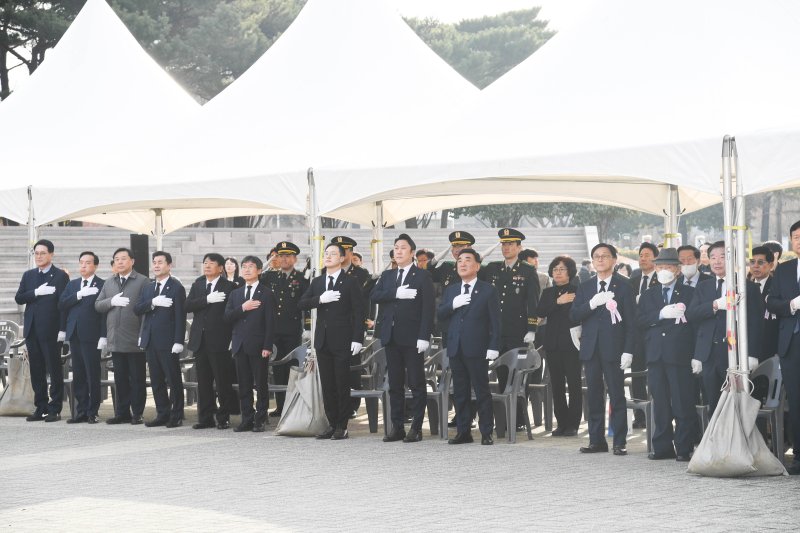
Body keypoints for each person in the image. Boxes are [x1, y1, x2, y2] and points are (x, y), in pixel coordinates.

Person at [570, 243, 635, 456]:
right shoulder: (585, 286)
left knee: (616, 396)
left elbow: (630, 323)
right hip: (591, 349)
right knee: (594, 396)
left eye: (605, 256)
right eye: (596, 256)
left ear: (614, 260)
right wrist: (591, 304)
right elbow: (574, 314)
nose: (600, 260)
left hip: (614, 349)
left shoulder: (624, 286)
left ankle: (619, 441)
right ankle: (596, 441)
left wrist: (629, 350)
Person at [371, 234, 435, 443]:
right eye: (396, 247)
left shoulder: (421, 276)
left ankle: (416, 428)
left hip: (413, 337)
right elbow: (374, 296)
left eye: (403, 248)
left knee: (417, 383)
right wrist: (395, 293)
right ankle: (397, 426)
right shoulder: (388, 276)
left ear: (412, 253)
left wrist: (424, 335)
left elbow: (428, 308)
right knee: (395, 384)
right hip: (391, 336)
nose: (398, 251)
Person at [686, 241, 762, 413]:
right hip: (709, 355)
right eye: (713, 257)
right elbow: (691, 314)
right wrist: (714, 305)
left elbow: (756, 323)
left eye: (722, 257)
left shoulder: (746, 287)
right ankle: (716, 439)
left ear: (733, 260)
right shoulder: (703, 286)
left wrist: (752, 354)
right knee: (713, 403)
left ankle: (736, 439)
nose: (717, 261)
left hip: (735, 354)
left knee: (736, 404)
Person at [299, 243, 365, 440]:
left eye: (333, 254)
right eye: (326, 253)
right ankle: (331, 422)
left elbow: (359, 311)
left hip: (343, 340)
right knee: (327, 384)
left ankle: (342, 425)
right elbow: (301, 303)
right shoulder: (318, 282)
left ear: (342, 258)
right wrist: (320, 299)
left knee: (341, 383)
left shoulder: (350, 281)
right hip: (322, 340)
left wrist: (357, 338)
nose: (328, 256)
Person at [637, 248, 698, 461]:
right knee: (660, 403)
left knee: (682, 403)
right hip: (655, 356)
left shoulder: (690, 293)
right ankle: (662, 447)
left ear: (678, 270)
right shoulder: (648, 295)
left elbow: (695, 325)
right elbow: (640, 321)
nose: (664, 270)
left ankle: (683, 448)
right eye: (660, 267)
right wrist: (660, 314)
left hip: (680, 355)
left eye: (669, 267)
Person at [438, 248, 500, 445]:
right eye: (459, 261)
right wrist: (452, 305)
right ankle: (463, 432)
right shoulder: (452, 290)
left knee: (482, 391)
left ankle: (486, 432)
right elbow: (440, 315)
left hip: (478, 347)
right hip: (456, 347)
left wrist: (494, 346)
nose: (462, 264)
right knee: (460, 392)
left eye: (467, 260)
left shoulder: (488, 289)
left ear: (477, 266)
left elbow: (495, 322)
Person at [482, 228, 540, 430]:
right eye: (503, 244)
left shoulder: (527, 270)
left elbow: (532, 302)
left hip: (518, 331)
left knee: (517, 376)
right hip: (496, 331)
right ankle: (505, 418)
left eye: (510, 244)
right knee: (501, 374)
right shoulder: (493, 268)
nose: (506, 248)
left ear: (519, 247)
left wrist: (531, 327)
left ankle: (520, 419)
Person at [15, 239, 69, 422]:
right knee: (36, 371)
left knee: (54, 370)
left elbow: (63, 305)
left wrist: (63, 330)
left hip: (51, 331)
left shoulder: (60, 276)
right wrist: (36, 292)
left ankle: (55, 408)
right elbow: (19, 298)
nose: (39, 256)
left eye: (42, 253)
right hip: (32, 330)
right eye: (36, 253)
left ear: (51, 254)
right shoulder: (28, 275)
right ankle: (41, 407)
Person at [95, 247, 149, 424]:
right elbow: (98, 305)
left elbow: (146, 311)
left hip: (135, 339)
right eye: (116, 259)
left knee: (137, 379)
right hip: (116, 339)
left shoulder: (143, 281)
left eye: (123, 259)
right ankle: (122, 413)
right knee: (120, 379)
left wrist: (143, 335)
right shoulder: (109, 282)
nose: (119, 262)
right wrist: (112, 301)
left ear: (132, 261)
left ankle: (137, 413)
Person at [185, 252, 238, 430]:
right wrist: (206, 299)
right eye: (205, 263)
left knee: (222, 381)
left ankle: (223, 417)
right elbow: (187, 305)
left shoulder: (229, 287)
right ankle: (205, 417)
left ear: (221, 268)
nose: (207, 266)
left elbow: (232, 314)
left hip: (220, 340)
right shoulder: (198, 284)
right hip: (200, 340)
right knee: (204, 381)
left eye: (211, 263)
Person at [134, 251, 187, 428]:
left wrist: (179, 340)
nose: (156, 265)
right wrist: (152, 303)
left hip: (169, 341)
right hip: (150, 340)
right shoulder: (149, 287)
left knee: (173, 379)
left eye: (160, 262)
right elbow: (137, 308)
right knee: (156, 380)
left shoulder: (176, 287)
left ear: (169, 265)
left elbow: (180, 315)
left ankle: (177, 414)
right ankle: (162, 413)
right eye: (154, 262)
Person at [224, 256, 276, 433]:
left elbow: (270, 322)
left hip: (259, 345)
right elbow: (227, 317)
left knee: (260, 384)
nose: (246, 270)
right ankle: (246, 418)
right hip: (239, 344)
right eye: (244, 266)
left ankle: (260, 419)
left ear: (259, 270)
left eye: (251, 267)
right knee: (244, 384)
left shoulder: (266, 293)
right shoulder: (235, 293)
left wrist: (267, 346)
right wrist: (243, 308)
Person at [766, 221, 800, 475]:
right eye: (795, 237)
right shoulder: (785, 270)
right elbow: (773, 304)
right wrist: (792, 304)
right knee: (796, 402)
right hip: (791, 344)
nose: (799, 241)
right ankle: (798, 455)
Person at [260, 241, 309, 418]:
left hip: (292, 330)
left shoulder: (303, 279)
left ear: (295, 259)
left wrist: (308, 327)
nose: (284, 259)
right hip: (273, 330)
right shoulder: (270, 277)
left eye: (288, 256)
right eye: (280, 256)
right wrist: (267, 263)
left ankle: (293, 405)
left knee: (292, 368)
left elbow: (308, 305)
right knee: (277, 370)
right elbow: (256, 277)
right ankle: (280, 406)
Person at [536, 256, 582, 436]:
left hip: (572, 344)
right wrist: (558, 302)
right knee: (556, 385)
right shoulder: (548, 293)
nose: (558, 272)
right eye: (555, 269)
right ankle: (561, 422)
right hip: (552, 344)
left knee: (574, 384)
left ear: (570, 271)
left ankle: (573, 424)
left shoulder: (578, 291)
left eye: (562, 269)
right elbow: (540, 312)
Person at [58, 251, 105, 424]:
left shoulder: (102, 285)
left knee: (92, 374)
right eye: (81, 263)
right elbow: (62, 304)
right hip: (74, 334)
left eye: (87, 263)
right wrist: (79, 295)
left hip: (92, 335)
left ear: (95, 265)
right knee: (78, 374)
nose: (83, 266)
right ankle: (81, 411)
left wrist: (103, 335)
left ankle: (93, 411)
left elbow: (103, 314)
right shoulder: (73, 284)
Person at [327, 236, 371, 417]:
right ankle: (335, 407)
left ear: (350, 253)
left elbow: (362, 305)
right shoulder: (326, 272)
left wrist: (359, 332)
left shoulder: (360, 274)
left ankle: (352, 404)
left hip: (352, 327)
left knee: (352, 369)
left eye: (345, 251)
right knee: (332, 372)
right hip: (331, 329)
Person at [629, 241, 660, 429]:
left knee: (655, 376)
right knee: (636, 376)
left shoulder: (661, 279)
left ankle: (657, 412)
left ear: (656, 258)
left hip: (655, 334)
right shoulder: (632, 281)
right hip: (636, 336)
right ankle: (640, 415)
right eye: (641, 255)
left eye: (647, 254)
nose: (643, 258)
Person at [750, 245, 777, 362]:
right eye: (752, 262)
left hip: (771, 345)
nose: (755, 266)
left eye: (760, 262)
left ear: (771, 265)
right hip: (748, 347)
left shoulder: (777, 286)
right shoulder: (743, 287)